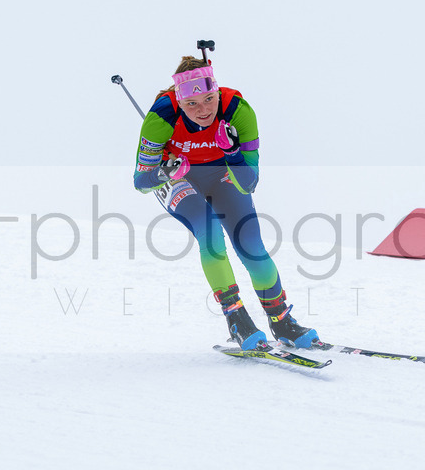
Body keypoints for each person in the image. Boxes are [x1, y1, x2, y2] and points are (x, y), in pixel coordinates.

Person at [132, 54, 320, 351]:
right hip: (179, 177)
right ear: (179, 101)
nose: (203, 110)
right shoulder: (161, 117)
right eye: (191, 104)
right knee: (210, 233)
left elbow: (249, 183)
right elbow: (141, 181)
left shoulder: (237, 110)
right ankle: (236, 319)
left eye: (209, 99)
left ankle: (282, 321)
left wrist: (232, 152)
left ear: (217, 91)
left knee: (251, 245)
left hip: (223, 174)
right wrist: (165, 171)